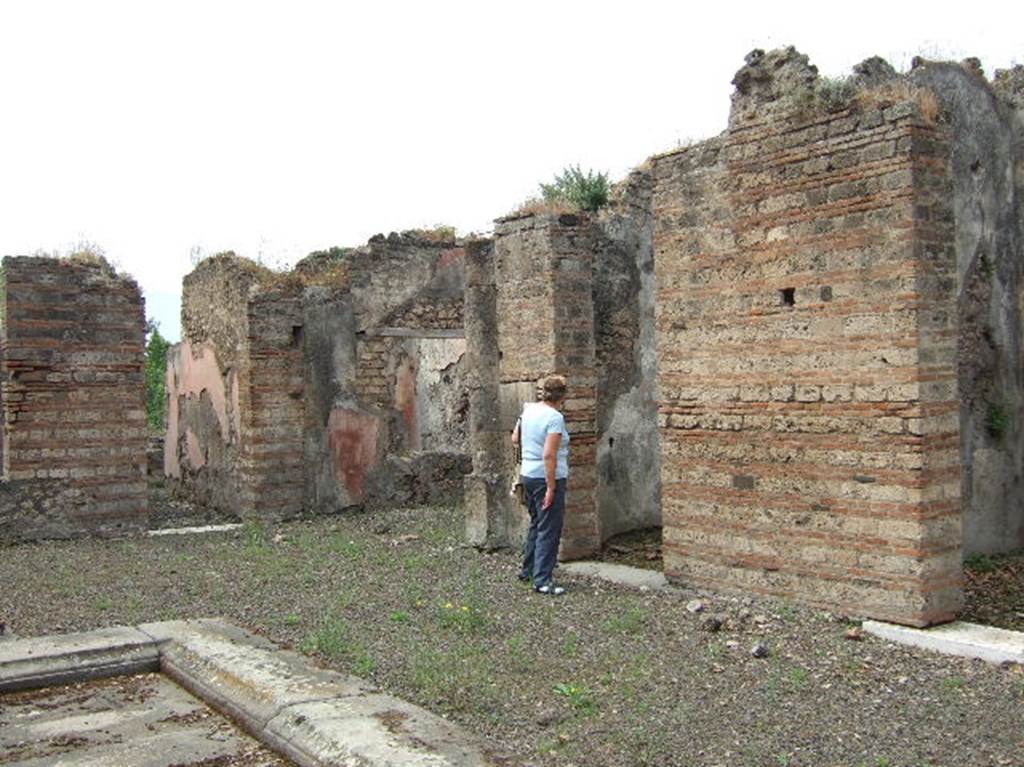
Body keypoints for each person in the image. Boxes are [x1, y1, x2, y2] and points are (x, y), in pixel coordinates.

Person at [512, 374, 570, 595]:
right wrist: (551, 486)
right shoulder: (554, 417)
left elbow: (515, 439)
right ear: (563, 395)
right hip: (546, 477)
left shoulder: (528, 411)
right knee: (549, 528)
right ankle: (542, 580)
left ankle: (527, 570)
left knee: (537, 524)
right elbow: (549, 454)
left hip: (528, 474)